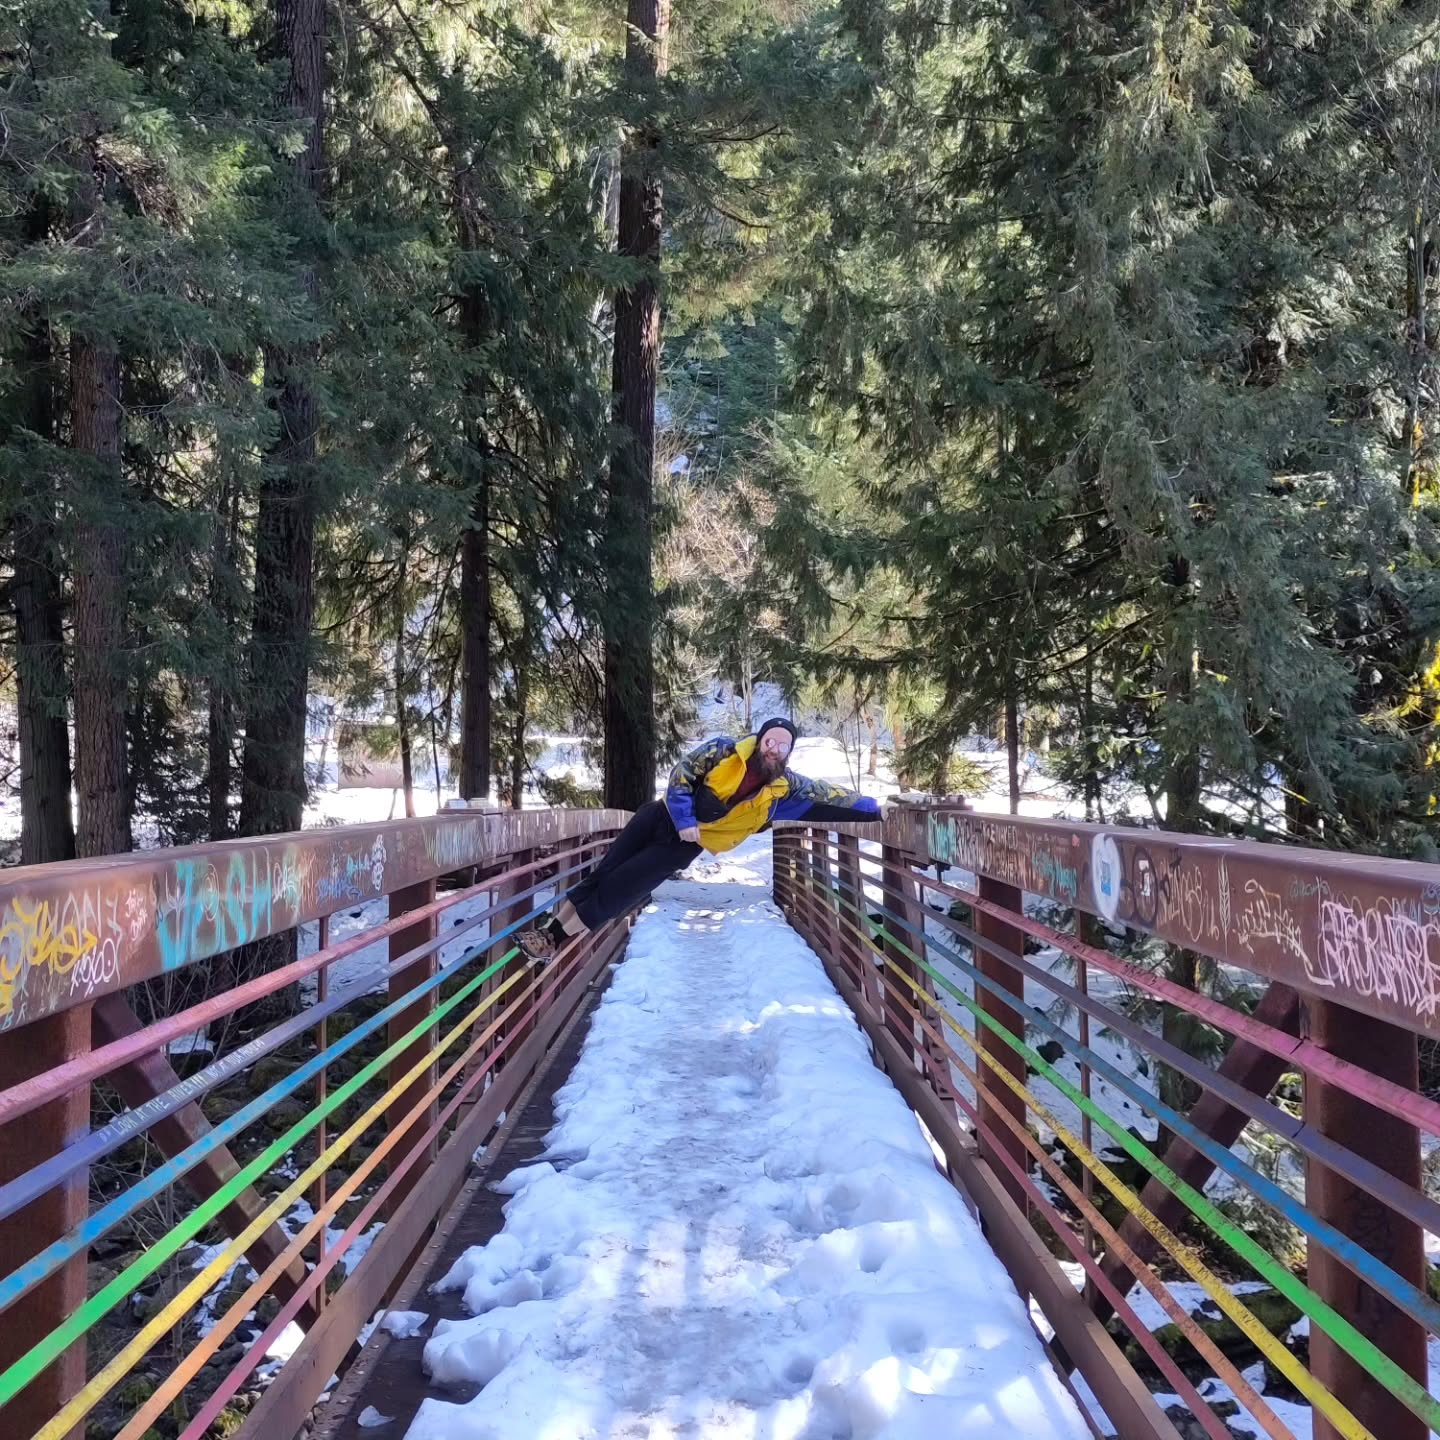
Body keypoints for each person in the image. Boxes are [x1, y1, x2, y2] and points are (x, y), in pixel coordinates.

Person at [518, 718, 884, 959]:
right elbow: (682, 774)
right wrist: (684, 818)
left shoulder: (784, 788)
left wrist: (874, 808)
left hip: (682, 846)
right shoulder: (723, 750)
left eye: (783, 746)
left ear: (789, 753)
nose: (774, 749)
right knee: (603, 874)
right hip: (658, 816)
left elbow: (828, 795)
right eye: (770, 741)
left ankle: (555, 942)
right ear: (760, 740)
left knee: (619, 889)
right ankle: (547, 934)